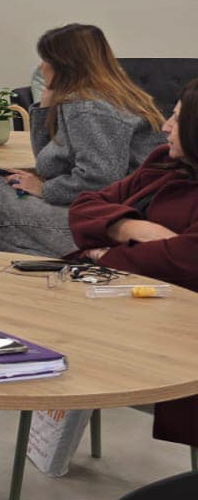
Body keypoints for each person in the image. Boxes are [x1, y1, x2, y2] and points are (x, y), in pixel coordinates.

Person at [0, 24, 165, 256]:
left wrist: (44, 189)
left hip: (110, 221)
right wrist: (46, 108)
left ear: (64, 65)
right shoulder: (101, 97)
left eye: (45, 59)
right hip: (111, 211)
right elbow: (48, 164)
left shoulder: (88, 108)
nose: (41, 67)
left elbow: (100, 180)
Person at [72, 79, 198, 449]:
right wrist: (131, 227)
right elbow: (83, 206)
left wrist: (106, 253)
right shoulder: (163, 162)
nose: (165, 127)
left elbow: (184, 258)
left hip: (164, 323)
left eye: (177, 119)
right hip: (108, 294)